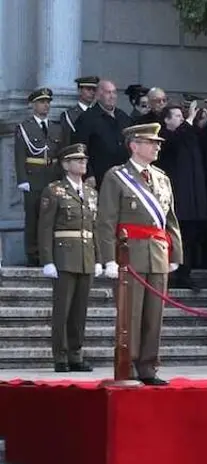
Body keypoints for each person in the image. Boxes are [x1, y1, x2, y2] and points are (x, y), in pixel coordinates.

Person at [93, 123, 182, 385]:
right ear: (134, 145)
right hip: (129, 255)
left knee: (154, 315)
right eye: (151, 142)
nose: (157, 147)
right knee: (130, 315)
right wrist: (108, 258)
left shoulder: (162, 178)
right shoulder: (117, 177)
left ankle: (148, 367)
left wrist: (176, 253)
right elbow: (106, 221)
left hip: (158, 253)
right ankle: (128, 365)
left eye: (157, 143)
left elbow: (170, 220)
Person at [37, 143, 101, 372]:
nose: (83, 163)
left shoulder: (91, 193)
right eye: (77, 160)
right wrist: (47, 260)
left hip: (86, 255)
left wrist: (99, 258)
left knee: (80, 311)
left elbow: (95, 228)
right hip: (64, 255)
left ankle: (76, 354)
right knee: (62, 309)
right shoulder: (54, 191)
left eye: (84, 160)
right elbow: (45, 227)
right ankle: (61, 356)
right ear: (66, 165)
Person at [16, 87, 62, 266]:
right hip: (33, 177)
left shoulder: (56, 128)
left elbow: (61, 154)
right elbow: (19, 155)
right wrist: (22, 179)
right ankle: (33, 255)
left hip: (52, 176)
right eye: (42, 102)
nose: (46, 105)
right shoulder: (25, 128)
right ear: (33, 105)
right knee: (33, 217)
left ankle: (50, 254)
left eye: (48, 102)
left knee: (52, 216)